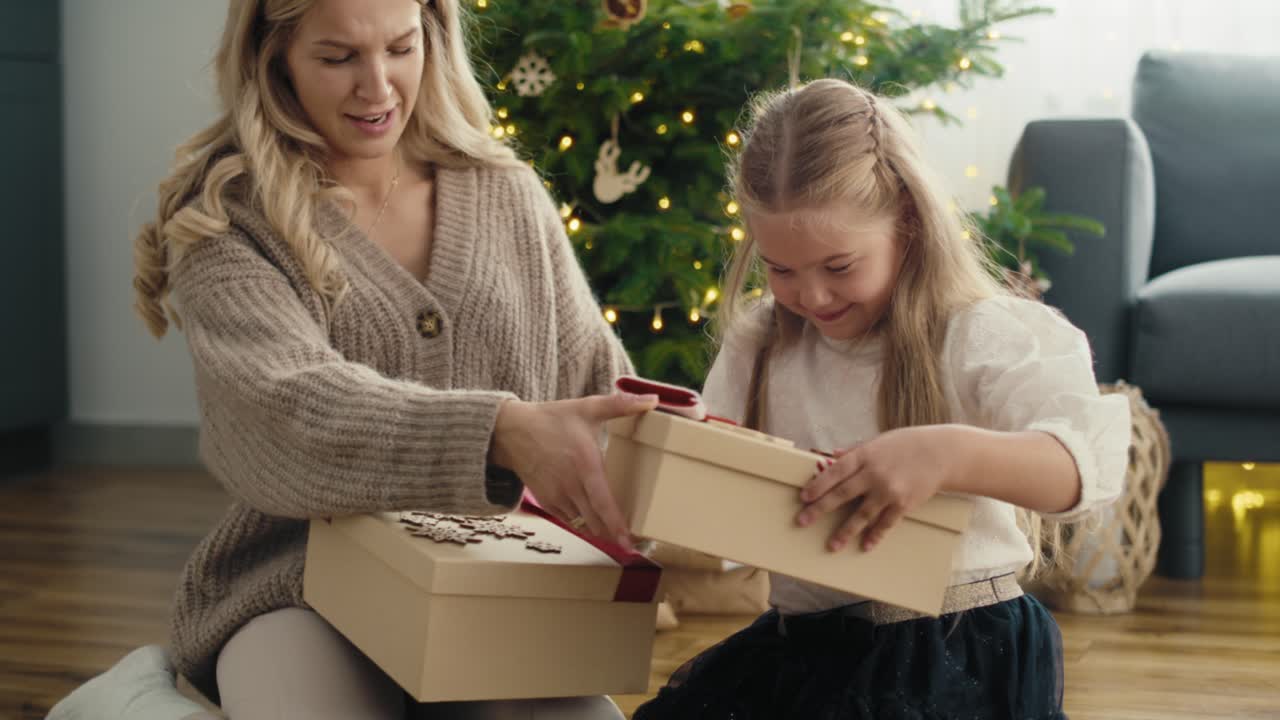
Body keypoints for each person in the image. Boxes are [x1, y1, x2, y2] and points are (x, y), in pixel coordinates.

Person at [47, 0, 654, 718]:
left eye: (400, 48)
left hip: (491, 582)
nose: (379, 88)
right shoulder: (227, 220)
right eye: (338, 58)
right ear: (275, 59)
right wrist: (497, 430)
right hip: (295, 585)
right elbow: (291, 406)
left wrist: (699, 460)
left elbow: (598, 386)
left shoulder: (506, 193)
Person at [633, 78, 1131, 719]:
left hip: (957, 652)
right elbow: (715, 475)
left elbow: (1083, 470)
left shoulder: (983, 332)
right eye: (781, 269)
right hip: (801, 650)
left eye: (839, 267)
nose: (811, 297)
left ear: (908, 222)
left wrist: (946, 455)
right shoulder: (763, 340)